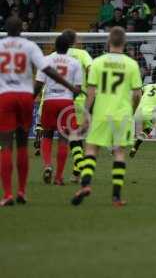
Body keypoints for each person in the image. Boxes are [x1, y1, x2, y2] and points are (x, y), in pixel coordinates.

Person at [0, 17, 79, 206]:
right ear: (21, 29)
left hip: (5, 97)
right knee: (22, 145)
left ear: (5, 30)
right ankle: (22, 191)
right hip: (25, 97)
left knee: (6, 145)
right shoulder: (30, 46)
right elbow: (48, 70)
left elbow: (43, 75)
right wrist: (69, 85)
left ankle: (8, 194)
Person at [71, 26, 142, 207]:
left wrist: (86, 113)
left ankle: (85, 184)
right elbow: (137, 94)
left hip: (101, 114)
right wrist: (132, 111)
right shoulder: (132, 64)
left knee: (91, 150)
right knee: (119, 153)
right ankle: (116, 197)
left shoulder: (97, 63)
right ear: (124, 43)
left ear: (109, 42)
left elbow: (91, 92)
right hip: (122, 115)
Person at [34, 35, 83, 185]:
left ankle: (48, 165)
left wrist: (30, 99)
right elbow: (78, 89)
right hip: (66, 102)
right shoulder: (75, 63)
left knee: (47, 135)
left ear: (54, 45)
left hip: (49, 100)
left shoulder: (46, 60)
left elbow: (38, 84)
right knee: (64, 138)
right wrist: (69, 98)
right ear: (69, 47)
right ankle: (59, 177)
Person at [62, 29, 94, 183]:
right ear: (76, 41)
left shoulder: (59, 55)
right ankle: (77, 172)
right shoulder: (82, 54)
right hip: (81, 98)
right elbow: (91, 69)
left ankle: (78, 169)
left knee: (72, 137)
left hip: (64, 98)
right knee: (77, 136)